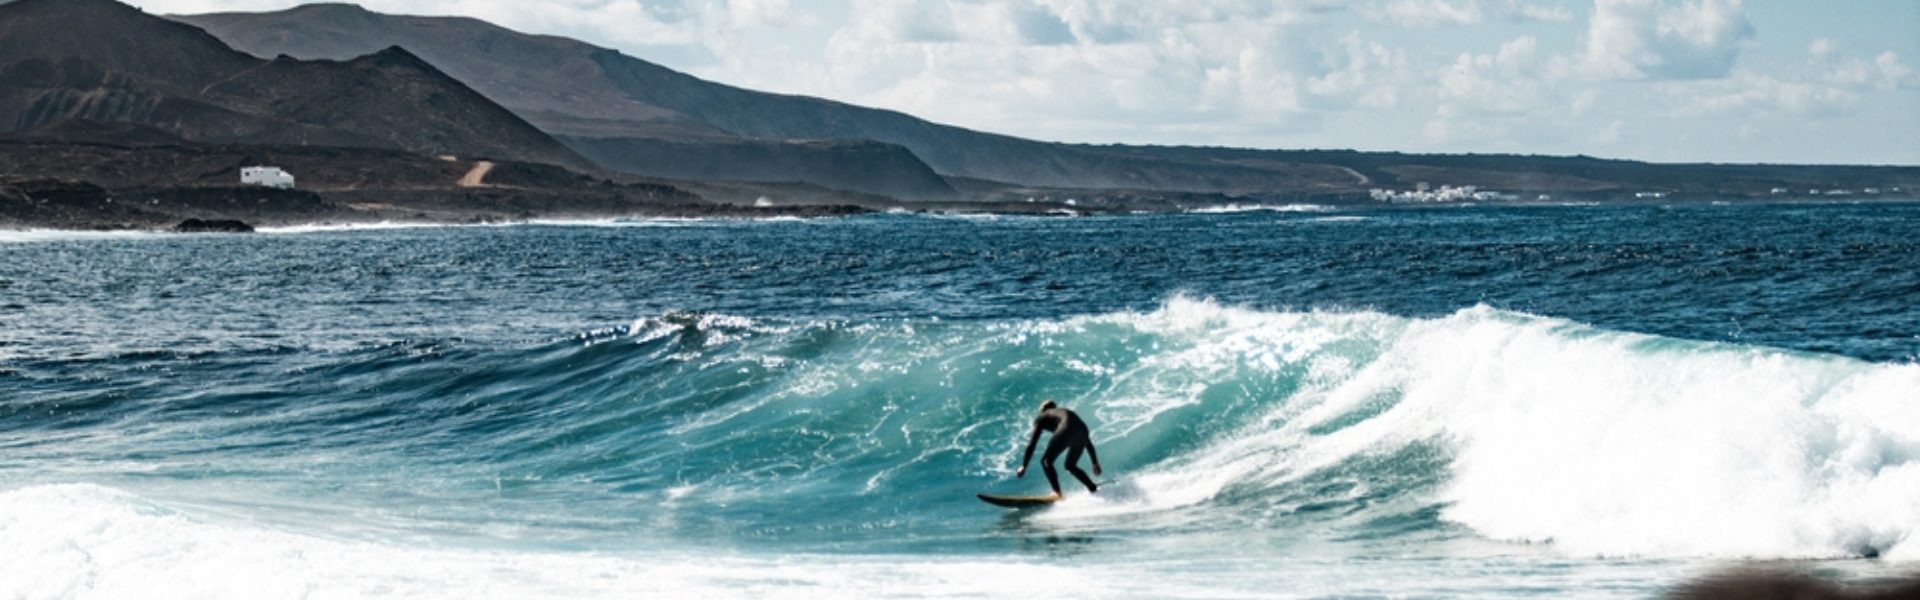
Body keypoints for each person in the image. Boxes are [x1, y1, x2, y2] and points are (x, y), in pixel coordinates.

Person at [1016, 400, 1102, 498]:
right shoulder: (1064, 412)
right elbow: (1088, 443)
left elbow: (1032, 444)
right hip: (1083, 430)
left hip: (1067, 428)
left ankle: (1057, 492)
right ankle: (1092, 488)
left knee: (1046, 461)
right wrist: (1095, 463)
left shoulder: (1042, 417)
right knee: (1070, 465)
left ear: (1043, 410)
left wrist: (1024, 465)